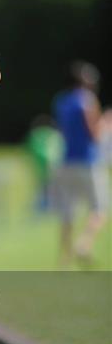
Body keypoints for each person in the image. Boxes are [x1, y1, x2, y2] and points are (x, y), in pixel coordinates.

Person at [52, 60, 107, 265]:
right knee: (99, 209)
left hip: (66, 161)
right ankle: (83, 244)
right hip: (88, 161)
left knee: (67, 213)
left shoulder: (62, 101)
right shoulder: (88, 100)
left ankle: (64, 258)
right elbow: (94, 134)